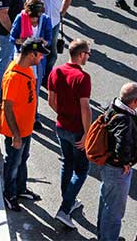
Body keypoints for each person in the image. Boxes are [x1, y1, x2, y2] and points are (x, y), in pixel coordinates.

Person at [48, 39, 93, 229]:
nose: (88, 57)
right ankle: (65, 209)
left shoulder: (56, 71)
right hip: (76, 130)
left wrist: (63, 114)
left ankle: (69, 199)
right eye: (88, 54)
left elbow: (51, 101)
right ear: (81, 54)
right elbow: (85, 109)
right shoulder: (83, 78)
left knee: (67, 163)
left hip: (61, 126)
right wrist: (86, 134)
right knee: (82, 170)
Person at [1, 38, 48, 212]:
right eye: (40, 54)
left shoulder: (26, 68)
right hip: (17, 132)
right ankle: (9, 194)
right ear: (31, 54)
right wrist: (16, 134)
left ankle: (21, 189)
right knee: (13, 162)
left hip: (26, 128)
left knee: (22, 159)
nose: (42, 57)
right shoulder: (13, 77)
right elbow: (7, 107)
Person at [97, 82, 137, 241]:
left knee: (106, 201)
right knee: (115, 210)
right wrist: (125, 162)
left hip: (107, 166)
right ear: (135, 101)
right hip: (116, 169)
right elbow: (122, 144)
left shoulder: (113, 107)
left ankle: (103, 236)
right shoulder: (124, 119)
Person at [19, 0, 73, 89]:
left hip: (53, 23)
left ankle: (45, 77)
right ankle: (31, 77)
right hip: (35, 24)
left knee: (52, 53)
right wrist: (23, 12)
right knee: (33, 52)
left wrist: (62, 11)